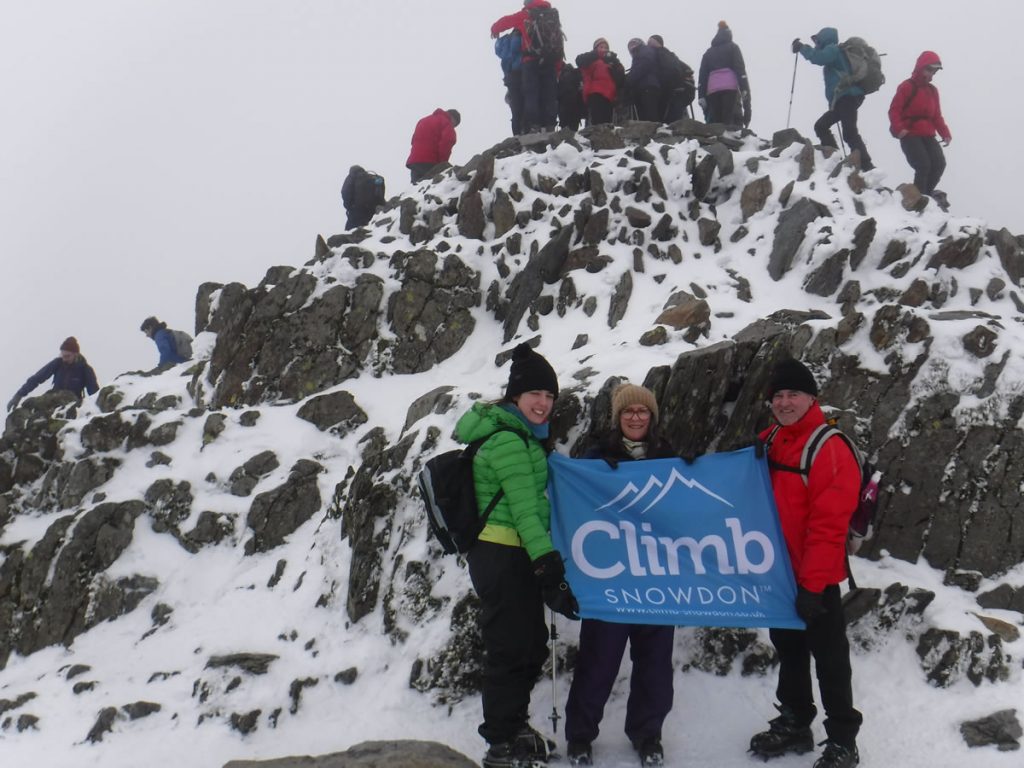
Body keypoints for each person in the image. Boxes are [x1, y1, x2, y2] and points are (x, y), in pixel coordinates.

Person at [456, 342, 580, 768]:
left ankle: (512, 725)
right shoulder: (509, 441)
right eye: (535, 395)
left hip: (510, 553)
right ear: (515, 397)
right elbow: (525, 510)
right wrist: (548, 566)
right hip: (503, 555)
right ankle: (500, 745)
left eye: (549, 396)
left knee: (528, 643)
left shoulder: (520, 437)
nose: (543, 404)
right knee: (510, 648)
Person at [750, 359, 863, 768]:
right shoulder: (774, 438)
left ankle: (843, 742)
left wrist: (812, 585)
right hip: (779, 573)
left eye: (792, 394)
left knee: (830, 657)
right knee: (790, 650)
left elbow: (829, 525)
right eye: (777, 396)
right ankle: (796, 721)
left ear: (811, 398)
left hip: (815, 578)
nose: (783, 402)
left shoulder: (829, 447)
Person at [564, 384, 677, 768]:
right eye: (627, 412)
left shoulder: (668, 456)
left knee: (656, 662)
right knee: (598, 660)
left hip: (656, 577)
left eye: (642, 411)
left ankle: (648, 735)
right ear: (617, 418)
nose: (635, 417)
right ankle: (580, 737)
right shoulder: (597, 456)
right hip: (609, 578)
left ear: (652, 416)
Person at [793, 28, 874, 171]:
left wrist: (802, 48)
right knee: (821, 126)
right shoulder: (836, 51)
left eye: (817, 40)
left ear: (824, 38)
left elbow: (818, 58)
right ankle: (833, 157)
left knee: (849, 133)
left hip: (847, 97)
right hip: (843, 99)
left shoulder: (833, 49)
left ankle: (867, 166)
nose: (816, 43)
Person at [491, 1, 562, 134]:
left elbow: (505, 21)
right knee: (549, 94)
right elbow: (558, 43)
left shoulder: (526, 14)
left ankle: (533, 126)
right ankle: (550, 125)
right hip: (550, 61)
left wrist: (494, 29)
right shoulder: (552, 15)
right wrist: (557, 68)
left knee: (531, 94)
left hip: (530, 60)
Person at [888, 51, 951, 201]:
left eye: (933, 71)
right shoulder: (907, 86)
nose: (931, 74)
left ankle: (925, 197)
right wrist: (899, 128)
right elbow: (894, 110)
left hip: (928, 134)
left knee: (939, 164)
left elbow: (936, 116)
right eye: (929, 69)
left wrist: (945, 133)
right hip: (910, 133)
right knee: (923, 165)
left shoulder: (932, 91)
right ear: (920, 67)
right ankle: (917, 200)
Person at [8, 336, 99, 411]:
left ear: (76, 354)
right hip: (53, 402)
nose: (64, 359)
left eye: (67, 356)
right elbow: (37, 378)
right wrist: (19, 395)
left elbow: (94, 394)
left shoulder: (85, 369)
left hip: (73, 407)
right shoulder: (58, 363)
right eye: (62, 355)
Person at [698, 21, 751, 127]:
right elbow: (740, 69)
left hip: (712, 89)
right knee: (729, 118)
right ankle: (731, 138)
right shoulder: (733, 47)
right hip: (729, 87)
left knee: (716, 120)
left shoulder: (708, 52)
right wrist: (744, 89)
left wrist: (701, 95)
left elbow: (703, 75)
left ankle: (717, 139)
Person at [575, 38, 625, 126]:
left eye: (606, 47)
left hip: (610, 95)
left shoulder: (611, 62)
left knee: (607, 121)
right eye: (601, 47)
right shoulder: (591, 60)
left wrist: (615, 61)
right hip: (595, 92)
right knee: (597, 120)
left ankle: (603, 137)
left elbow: (620, 75)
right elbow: (579, 60)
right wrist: (596, 54)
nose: (604, 49)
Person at [647, 35, 695, 123]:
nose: (648, 44)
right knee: (674, 116)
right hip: (679, 89)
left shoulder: (661, 53)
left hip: (671, 90)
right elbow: (686, 69)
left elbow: (670, 71)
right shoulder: (670, 55)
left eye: (651, 41)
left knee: (671, 118)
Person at [405, 108, 461, 183]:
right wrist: (443, 164)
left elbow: (413, 140)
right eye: (455, 125)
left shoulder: (423, 120)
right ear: (453, 118)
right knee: (436, 186)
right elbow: (447, 143)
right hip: (430, 161)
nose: (453, 127)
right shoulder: (446, 123)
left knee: (417, 190)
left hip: (414, 161)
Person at [495, 29, 525, 135]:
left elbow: (499, 51)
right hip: (522, 74)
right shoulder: (521, 38)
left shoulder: (505, 41)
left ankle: (517, 134)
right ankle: (525, 130)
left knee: (516, 107)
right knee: (524, 103)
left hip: (510, 77)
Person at [625, 38, 661, 122]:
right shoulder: (640, 53)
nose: (631, 47)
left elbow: (644, 65)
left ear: (640, 44)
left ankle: (654, 131)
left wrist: (629, 79)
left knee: (650, 114)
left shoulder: (644, 50)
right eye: (629, 46)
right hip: (646, 87)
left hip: (648, 86)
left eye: (633, 44)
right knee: (645, 116)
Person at [557, 62, 585, 132]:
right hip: (575, 107)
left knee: (564, 131)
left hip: (564, 108)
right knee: (574, 130)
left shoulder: (562, 77)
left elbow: (558, 94)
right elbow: (581, 90)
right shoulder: (577, 75)